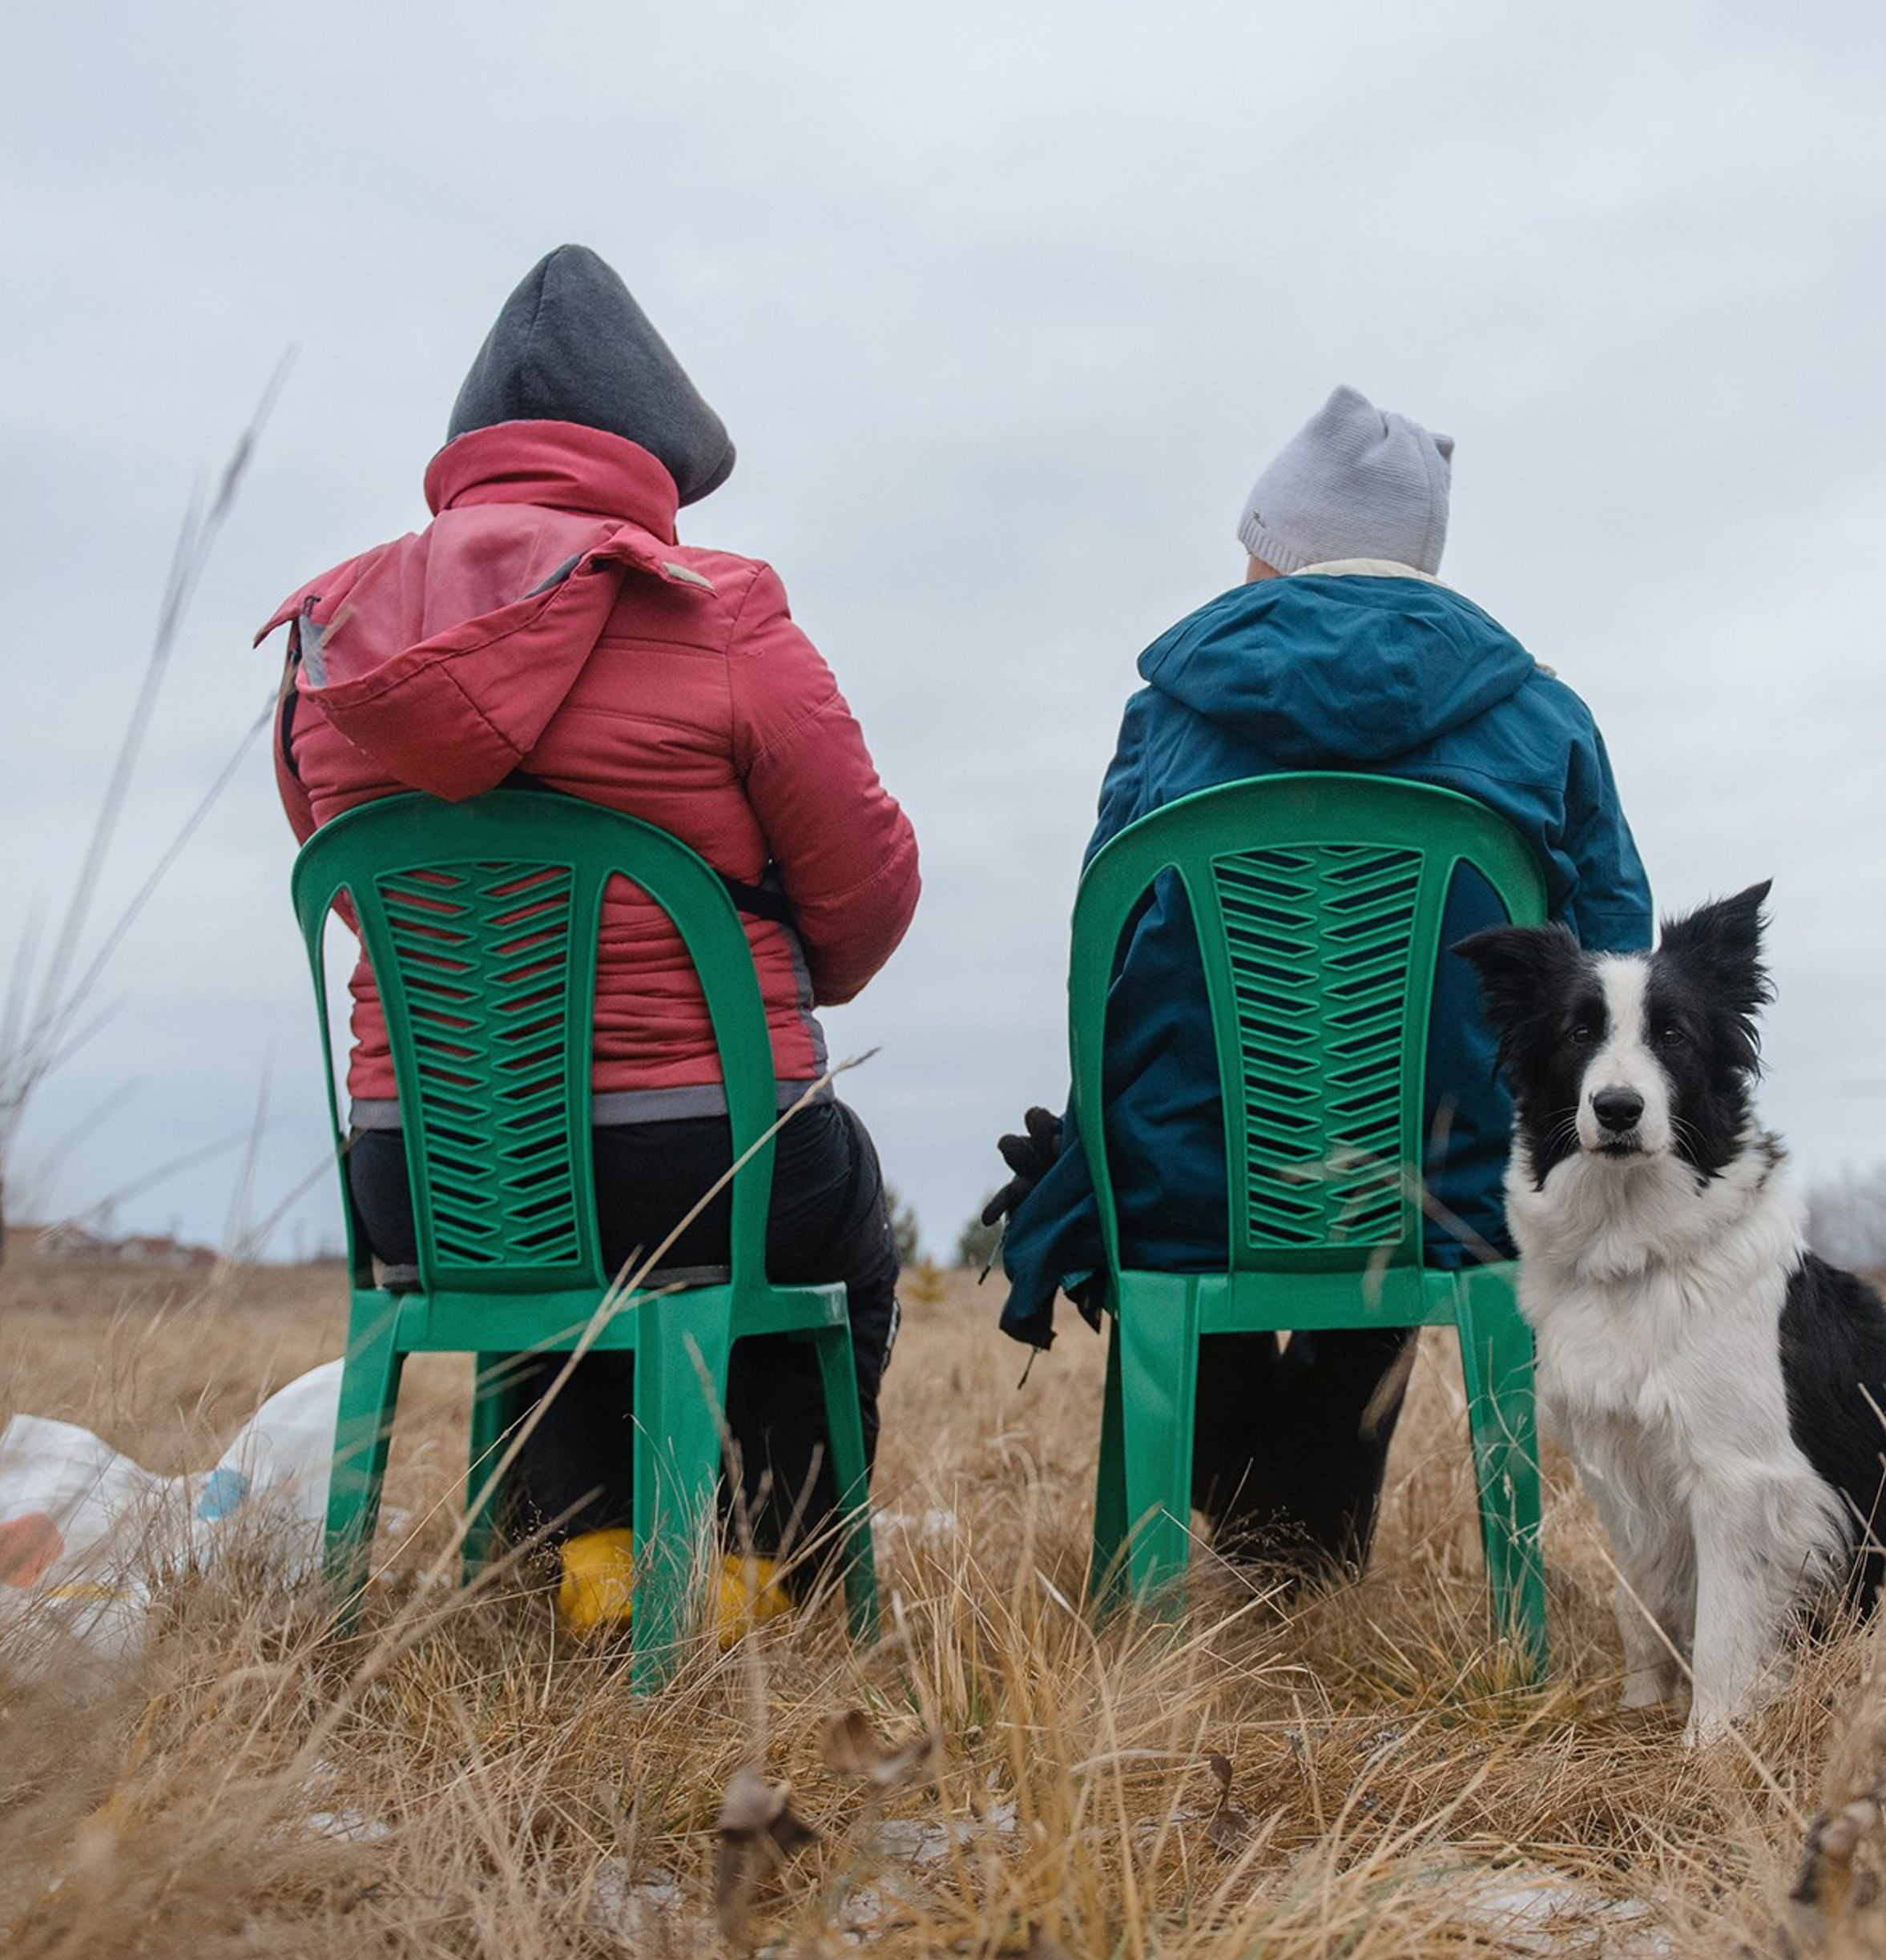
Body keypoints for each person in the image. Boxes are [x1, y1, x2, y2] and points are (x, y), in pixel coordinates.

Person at [264, 247, 918, 1636]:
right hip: (706, 1152)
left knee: (537, 1223)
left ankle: (583, 1567)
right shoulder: (724, 614)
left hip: (426, 1176)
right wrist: (776, 975)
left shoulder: (328, 644)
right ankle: (749, 1573)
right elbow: (865, 892)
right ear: (654, 462)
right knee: (832, 1220)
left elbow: (349, 892)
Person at [989, 386, 1651, 1584]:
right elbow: (1620, 959)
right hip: (1444, 1178)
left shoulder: (1164, 717)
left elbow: (1105, 946)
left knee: (1147, 1200)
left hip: (1197, 1167)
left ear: (1276, 546)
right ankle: (1297, 1540)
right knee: (1434, 1161)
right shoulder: (1545, 719)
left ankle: (1268, 1529)